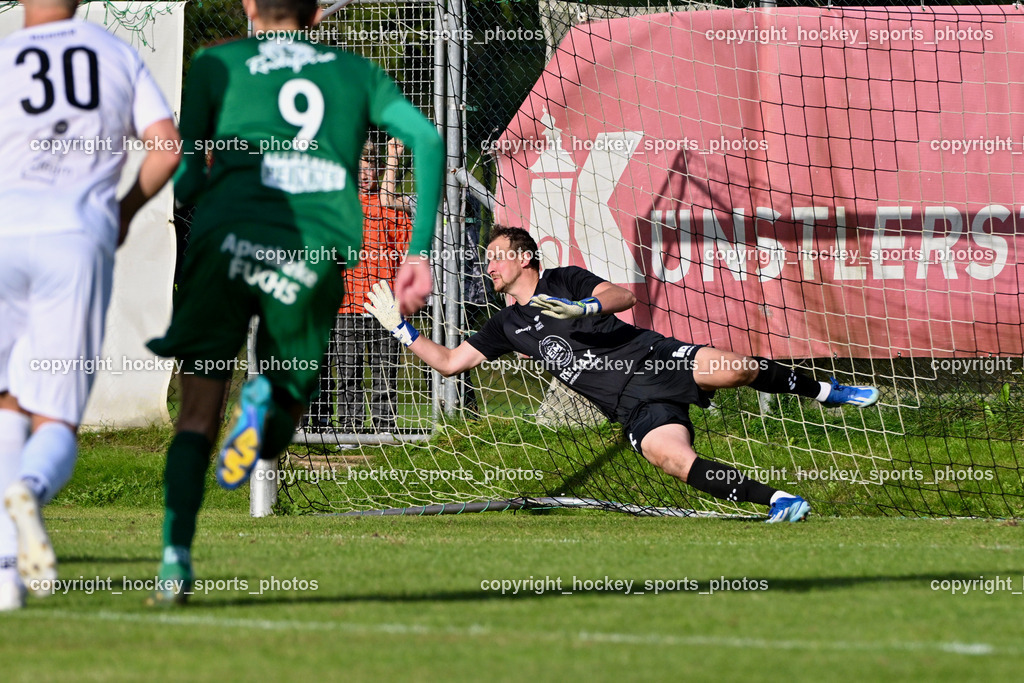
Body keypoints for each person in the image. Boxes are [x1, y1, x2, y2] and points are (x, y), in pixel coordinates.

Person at [145, 0, 442, 604]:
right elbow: (428, 139)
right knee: (281, 418)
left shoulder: (215, 63)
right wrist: (415, 252)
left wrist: (197, 198)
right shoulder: (353, 72)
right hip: (309, 251)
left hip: (226, 241)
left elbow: (187, 170)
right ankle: (265, 408)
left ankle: (176, 559)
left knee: (196, 415)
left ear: (249, 6)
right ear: (314, 11)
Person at [366, 226, 881, 522]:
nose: (489, 266)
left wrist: (584, 309)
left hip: (654, 358)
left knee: (738, 369)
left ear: (524, 258)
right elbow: (451, 362)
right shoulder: (507, 324)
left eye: (496, 257)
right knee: (672, 458)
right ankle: (779, 502)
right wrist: (401, 329)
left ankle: (826, 390)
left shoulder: (562, 278)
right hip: (634, 407)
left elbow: (624, 296)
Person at [0, 0, 180, 611]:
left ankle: (3, 573)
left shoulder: (3, 57)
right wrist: (124, 211)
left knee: (5, 399)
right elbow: (166, 147)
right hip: (76, 237)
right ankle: (28, 487)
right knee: (56, 416)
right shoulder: (116, 52)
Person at [306, 147, 410, 434]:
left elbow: (405, 252)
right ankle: (350, 427)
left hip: (384, 304)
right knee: (348, 374)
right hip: (346, 304)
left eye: (370, 168)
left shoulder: (393, 206)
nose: (365, 175)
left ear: (379, 170)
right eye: (359, 168)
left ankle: (383, 427)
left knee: (385, 374)